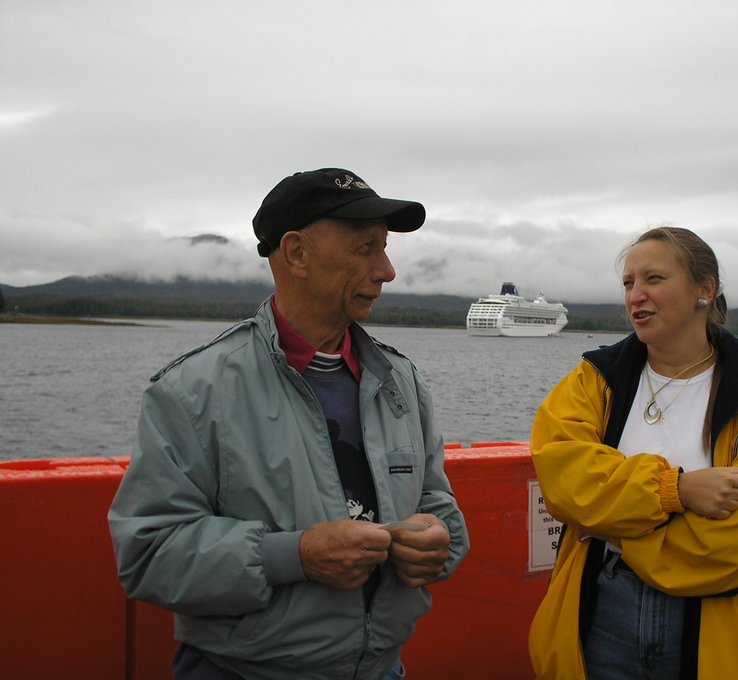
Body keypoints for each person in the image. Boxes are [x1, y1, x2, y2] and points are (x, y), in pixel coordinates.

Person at [109, 168, 469, 680]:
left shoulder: (401, 380)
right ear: (296, 253)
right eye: (365, 248)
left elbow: (437, 505)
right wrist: (294, 556)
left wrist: (437, 540)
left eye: (385, 248)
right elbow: (149, 554)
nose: (387, 271)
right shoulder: (192, 389)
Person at [528, 227, 738, 679]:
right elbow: (565, 480)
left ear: (704, 288)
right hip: (602, 611)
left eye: (653, 278)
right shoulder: (593, 380)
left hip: (714, 620)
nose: (636, 295)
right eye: (628, 282)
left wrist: (614, 532)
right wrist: (676, 490)